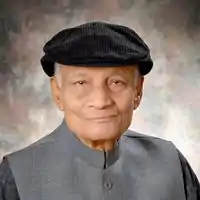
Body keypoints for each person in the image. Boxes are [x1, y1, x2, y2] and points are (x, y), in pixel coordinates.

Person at [0, 21, 199, 200]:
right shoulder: (17, 175)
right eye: (81, 82)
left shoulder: (171, 163)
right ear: (57, 92)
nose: (101, 100)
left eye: (116, 82)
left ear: (137, 90)